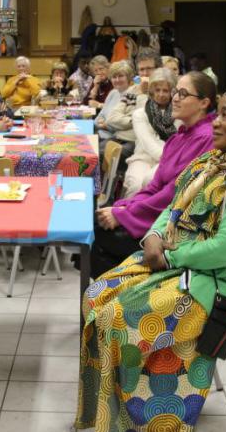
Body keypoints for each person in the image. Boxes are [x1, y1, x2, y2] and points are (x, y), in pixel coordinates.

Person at [78, 84, 226, 432]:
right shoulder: (212, 161)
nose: (216, 123)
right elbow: (172, 205)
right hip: (177, 260)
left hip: (215, 283)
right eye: (217, 112)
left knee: (117, 314)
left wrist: (169, 258)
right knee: (96, 295)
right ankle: (113, 408)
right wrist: (155, 235)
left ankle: (150, 419)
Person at [93, 71, 217, 276]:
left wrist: (125, 215)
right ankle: (119, 290)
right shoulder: (179, 137)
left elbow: (176, 194)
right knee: (94, 232)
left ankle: (125, 287)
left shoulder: (206, 139)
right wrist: (123, 207)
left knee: (93, 238)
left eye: (183, 93)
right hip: (155, 217)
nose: (175, 97)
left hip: (171, 229)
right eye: (176, 91)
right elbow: (154, 186)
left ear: (204, 103)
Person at [122, 68, 176, 197]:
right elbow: (147, 143)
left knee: (151, 182)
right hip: (143, 158)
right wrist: (165, 158)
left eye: (165, 90)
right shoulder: (140, 114)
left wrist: (168, 161)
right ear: (151, 91)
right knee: (136, 185)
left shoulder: (178, 113)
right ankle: (125, 215)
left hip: (169, 161)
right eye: (157, 90)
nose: (161, 94)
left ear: (172, 92)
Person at [94, 60, 137, 154]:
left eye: (121, 76)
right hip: (100, 136)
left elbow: (130, 124)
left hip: (117, 139)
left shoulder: (133, 95)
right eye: (114, 77)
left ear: (129, 77)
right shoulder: (113, 93)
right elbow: (99, 117)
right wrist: (104, 124)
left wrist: (107, 126)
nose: (117, 80)